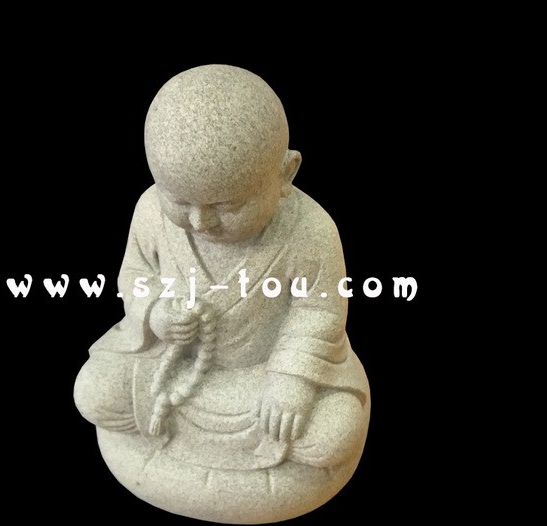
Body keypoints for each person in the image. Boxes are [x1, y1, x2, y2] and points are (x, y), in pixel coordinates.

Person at [75, 65, 369, 471]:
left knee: (333, 435)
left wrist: (291, 381)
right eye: (179, 201)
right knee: (93, 391)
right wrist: (156, 313)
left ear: (286, 173)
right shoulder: (149, 211)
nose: (200, 222)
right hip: (172, 368)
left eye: (228, 205)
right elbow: (136, 276)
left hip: (264, 380)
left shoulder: (310, 231)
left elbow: (319, 310)